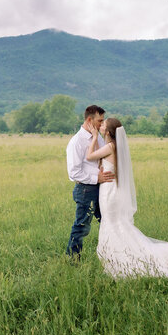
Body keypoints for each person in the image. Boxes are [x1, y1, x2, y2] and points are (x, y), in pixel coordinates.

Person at [86, 118, 168, 278]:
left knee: (111, 223)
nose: (100, 125)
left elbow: (89, 156)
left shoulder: (110, 146)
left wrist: (95, 136)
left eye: (103, 125)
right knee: (115, 223)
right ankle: (115, 256)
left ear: (108, 132)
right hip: (111, 190)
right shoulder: (113, 147)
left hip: (109, 192)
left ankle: (119, 258)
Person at [66, 105, 116, 259]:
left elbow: (102, 156)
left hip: (101, 188)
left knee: (107, 221)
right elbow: (74, 172)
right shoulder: (77, 142)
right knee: (82, 226)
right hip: (86, 190)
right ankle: (73, 259)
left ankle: (111, 255)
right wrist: (97, 178)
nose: (101, 125)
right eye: (99, 121)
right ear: (89, 120)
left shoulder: (98, 137)